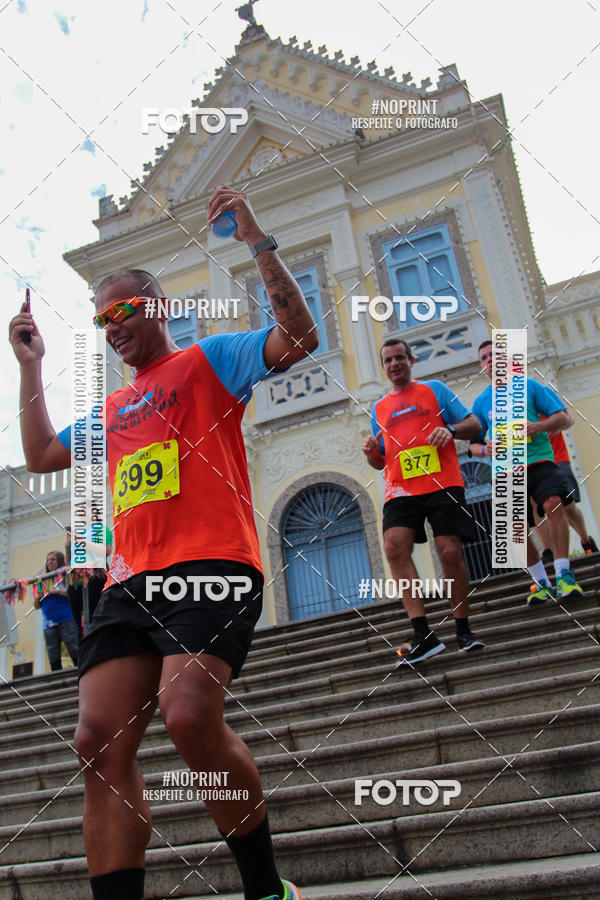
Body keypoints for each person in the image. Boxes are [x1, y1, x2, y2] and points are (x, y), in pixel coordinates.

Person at [9, 186, 310, 900]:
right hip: (128, 583)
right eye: (99, 319)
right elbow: (44, 454)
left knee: (186, 713)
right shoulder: (112, 410)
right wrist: (28, 363)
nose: (110, 326)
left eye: (120, 311)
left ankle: (267, 889)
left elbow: (298, 337)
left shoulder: (212, 361)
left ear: (157, 307)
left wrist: (256, 239)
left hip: (213, 567)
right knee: (94, 741)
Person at [362, 338, 485, 665]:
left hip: (443, 483)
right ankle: (423, 634)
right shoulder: (379, 408)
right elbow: (380, 461)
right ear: (383, 367)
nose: (394, 364)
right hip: (401, 489)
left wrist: (450, 429)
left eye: (399, 357)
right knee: (393, 548)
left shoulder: (435, 390)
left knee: (449, 551)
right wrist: (372, 452)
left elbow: (474, 424)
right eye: (387, 360)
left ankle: (462, 629)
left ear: (411, 360)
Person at [471, 339, 583, 603]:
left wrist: (537, 426)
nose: (490, 361)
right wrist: (486, 449)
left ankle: (564, 574)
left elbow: (564, 418)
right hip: (506, 470)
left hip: (539, 460)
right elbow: (473, 445)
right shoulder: (481, 402)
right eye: (485, 358)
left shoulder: (530, 387)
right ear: (482, 366)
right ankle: (541, 582)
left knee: (555, 504)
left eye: (494, 355)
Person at [531, 418, 598, 561]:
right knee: (534, 506)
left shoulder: (541, 395)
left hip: (556, 456)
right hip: (529, 462)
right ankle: (548, 550)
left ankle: (586, 540)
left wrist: (553, 424)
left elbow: (567, 418)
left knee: (567, 506)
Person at [34, 550, 79, 671]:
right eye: (48, 560)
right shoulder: (42, 580)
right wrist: (39, 596)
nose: (49, 562)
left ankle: (80, 676)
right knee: (53, 655)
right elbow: (37, 606)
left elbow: (73, 594)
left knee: (74, 649)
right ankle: (57, 682)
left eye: (52, 559)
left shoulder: (65, 575)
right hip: (48, 623)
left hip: (66, 618)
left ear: (59, 560)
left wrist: (55, 591)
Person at [65, 524, 113, 634]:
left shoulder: (101, 528)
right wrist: (68, 545)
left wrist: (81, 540)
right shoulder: (78, 531)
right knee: (76, 621)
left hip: (96, 576)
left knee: (96, 614)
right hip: (76, 579)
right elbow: (69, 562)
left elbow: (107, 551)